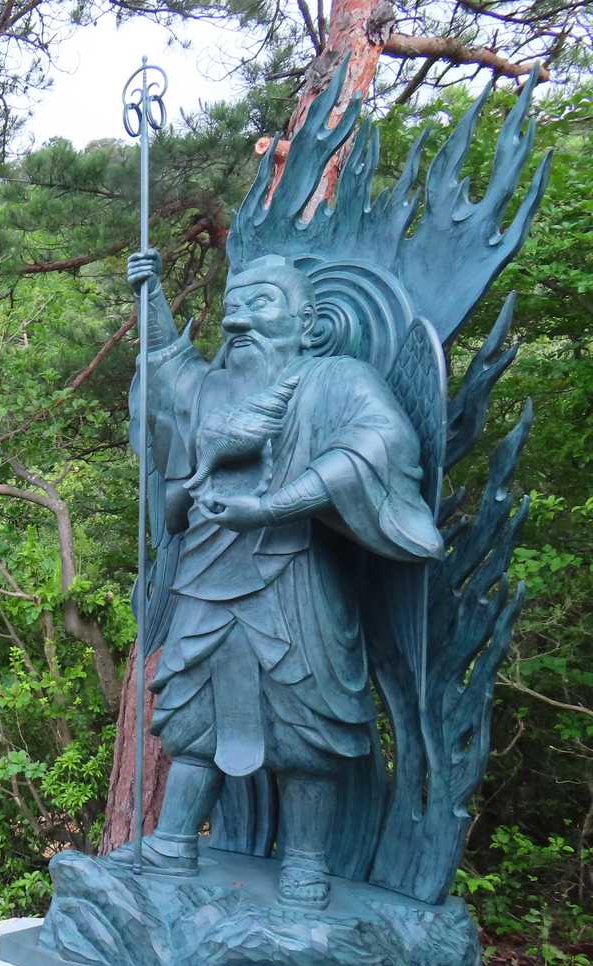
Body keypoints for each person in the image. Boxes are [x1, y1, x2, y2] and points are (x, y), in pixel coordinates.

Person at [111, 250, 443, 908]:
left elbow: (379, 447)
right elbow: (170, 380)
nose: (238, 319)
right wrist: (151, 293)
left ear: (308, 323)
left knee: (306, 721)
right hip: (206, 578)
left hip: (297, 576)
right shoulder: (210, 388)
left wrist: (273, 506)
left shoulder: (336, 380)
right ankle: (171, 843)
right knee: (189, 719)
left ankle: (307, 862)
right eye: (233, 305)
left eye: (260, 304)